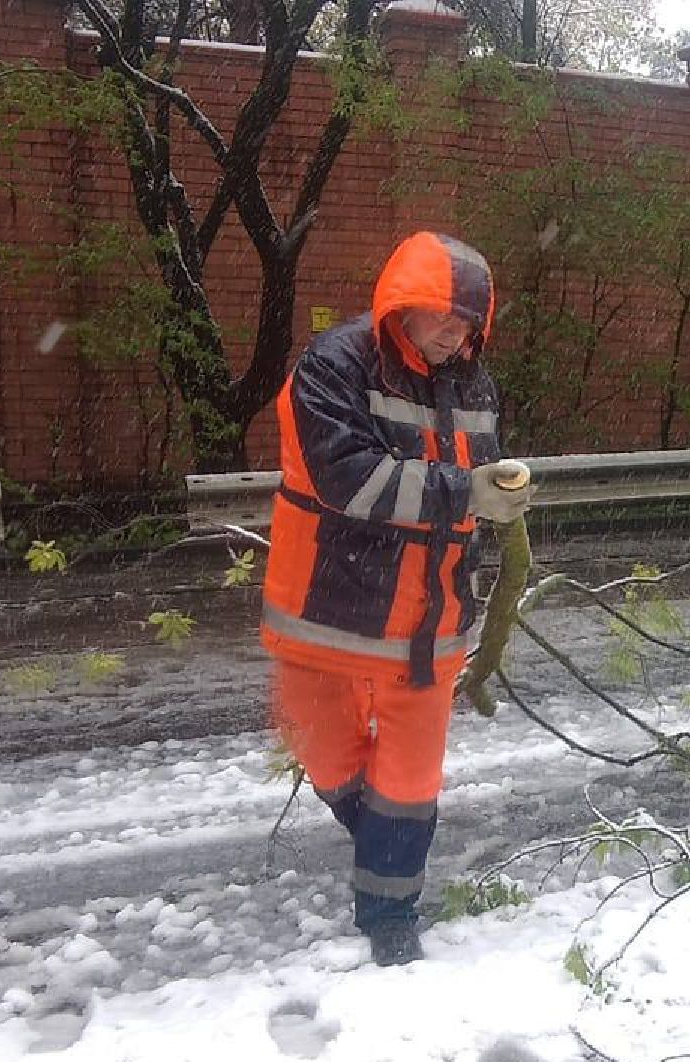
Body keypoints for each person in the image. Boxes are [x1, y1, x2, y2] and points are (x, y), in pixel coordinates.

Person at [261, 231, 535, 966]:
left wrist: (494, 505)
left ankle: (391, 923)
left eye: (468, 322)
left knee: (409, 785)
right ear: (399, 304)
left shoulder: (476, 383)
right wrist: (465, 493)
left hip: (429, 624)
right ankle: (387, 845)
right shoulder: (335, 365)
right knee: (326, 757)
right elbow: (348, 479)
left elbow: (475, 490)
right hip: (324, 614)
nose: (456, 333)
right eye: (442, 315)